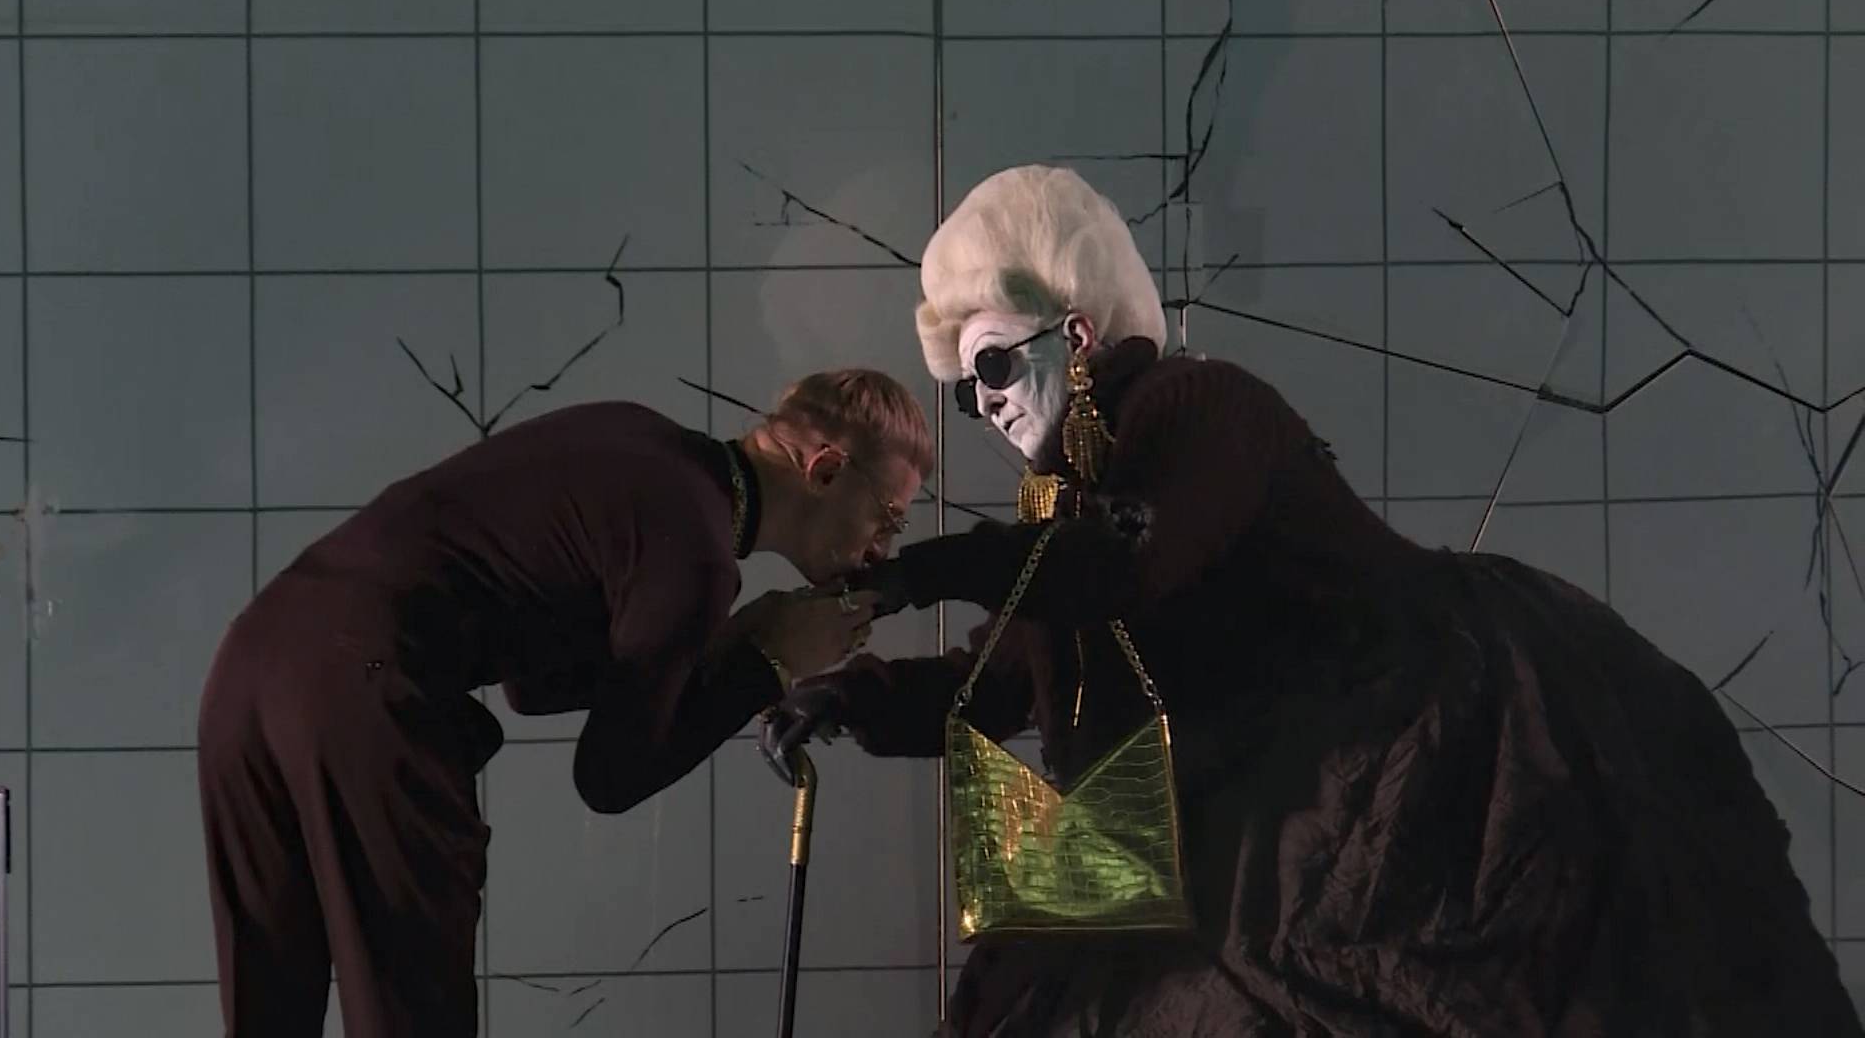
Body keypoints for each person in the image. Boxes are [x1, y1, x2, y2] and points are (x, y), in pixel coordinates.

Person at [763, 165, 1864, 1036]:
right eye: (966, 393)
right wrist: (852, 698)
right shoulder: (1064, 507)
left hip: (1405, 761)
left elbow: (1124, 564)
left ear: (1078, 334)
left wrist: (922, 572)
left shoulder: (1200, 407)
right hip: (1230, 810)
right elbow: (1005, 679)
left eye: (995, 367)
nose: (986, 406)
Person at [197, 370, 932, 1038]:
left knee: (269, 1009)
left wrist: (728, 640)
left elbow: (533, 684)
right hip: (362, 692)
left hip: (249, 666)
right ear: (826, 469)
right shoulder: (697, 554)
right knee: (410, 1011)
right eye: (890, 518)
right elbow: (609, 776)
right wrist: (770, 664)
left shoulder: (640, 437)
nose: (881, 550)